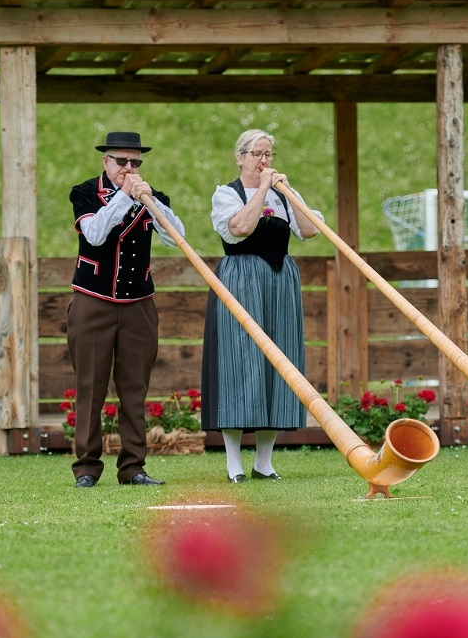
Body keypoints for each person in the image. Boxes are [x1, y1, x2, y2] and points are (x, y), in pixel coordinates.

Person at [201, 129, 324, 482]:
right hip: (241, 280)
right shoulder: (227, 194)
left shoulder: (283, 191)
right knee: (240, 364)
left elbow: (309, 230)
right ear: (240, 157)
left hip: (279, 280)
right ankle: (234, 463)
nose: (263, 161)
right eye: (256, 154)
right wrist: (263, 192)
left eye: (268, 154)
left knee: (279, 364)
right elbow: (239, 227)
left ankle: (264, 462)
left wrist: (287, 192)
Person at [67, 131, 185, 488]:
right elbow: (96, 235)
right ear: (106, 162)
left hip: (139, 305)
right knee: (90, 387)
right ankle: (86, 467)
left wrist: (151, 201)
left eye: (136, 162)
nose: (129, 169)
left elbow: (176, 236)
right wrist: (122, 197)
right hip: (93, 301)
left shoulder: (152, 197)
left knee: (135, 390)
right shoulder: (85, 193)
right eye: (122, 162)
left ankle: (133, 468)